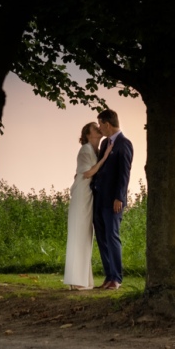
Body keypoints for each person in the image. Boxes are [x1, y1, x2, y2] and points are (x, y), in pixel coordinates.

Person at [63, 122, 110, 290]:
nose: (99, 129)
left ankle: (81, 279)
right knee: (79, 232)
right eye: (95, 128)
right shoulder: (85, 150)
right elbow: (88, 172)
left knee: (86, 234)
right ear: (88, 135)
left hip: (88, 194)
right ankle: (76, 280)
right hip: (82, 194)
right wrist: (104, 159)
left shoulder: (95, 150)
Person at [91, 109, 133, 289]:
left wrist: (119, 197)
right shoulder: (104, 144)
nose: (99, 127)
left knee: (112, 236)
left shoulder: (124, 144)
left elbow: (124, 173)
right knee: (102, 237)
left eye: (100, 124)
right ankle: (109, 277)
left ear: (107, 124)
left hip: (113, 201)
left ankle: (116, 279)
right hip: (99, 199)